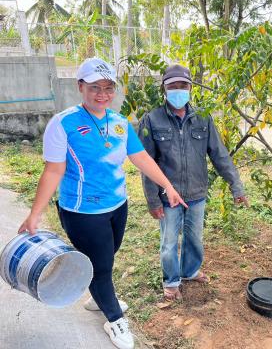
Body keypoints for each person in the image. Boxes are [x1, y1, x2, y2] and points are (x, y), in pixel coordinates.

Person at [18, 57, 186, 349]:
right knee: (102, 267)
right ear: (80, 86)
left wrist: (167, 186)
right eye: (95, 87)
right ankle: (114, 317)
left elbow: (141, 158)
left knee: (105, 259)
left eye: (109, 87)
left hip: (117, 206)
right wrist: (35, 214)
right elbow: (53, 170)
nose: (103, 94)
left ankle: (99, 294)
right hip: (83, 212)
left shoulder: (120, 123)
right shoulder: (64, 124)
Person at [138, 64, 248, 301]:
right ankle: (171, 280)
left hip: (197, 193)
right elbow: (146, 164)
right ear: (164, 89)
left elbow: (219, 154)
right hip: (168, 197)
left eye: (183, 86)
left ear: (190, 88)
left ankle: (190, 271)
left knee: (194, 237)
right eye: (173, 86)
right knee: (169, 242)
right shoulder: (151, 120)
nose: (178, 90)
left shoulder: (203, 118)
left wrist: (236, 185)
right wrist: (153, 199)